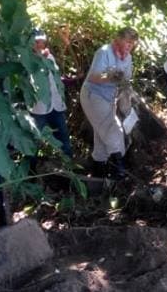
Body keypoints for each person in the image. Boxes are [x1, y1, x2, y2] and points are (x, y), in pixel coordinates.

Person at [80, 27, 138, 179]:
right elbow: (93, 77)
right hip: (94, 95)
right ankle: (119, 172)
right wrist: (110, 76)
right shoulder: (104, 52)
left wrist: (128, 95)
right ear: (119, 39)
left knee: (101, 137)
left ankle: (98, 175)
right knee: (113, 131)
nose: (130, 45)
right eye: (127, 42)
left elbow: (125, 81)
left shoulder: (127, 58)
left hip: (110, 98)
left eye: (132, 43)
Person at [28, 31, 72, 166]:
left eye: (42, 42)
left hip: (56, 105)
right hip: (39, 107)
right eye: (37, 42)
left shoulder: (50, 57)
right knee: (34, 140)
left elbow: (55, 78)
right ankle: (31, 169)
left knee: (63, 137)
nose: (40, 45)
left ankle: (68, 166)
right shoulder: (27, 58)